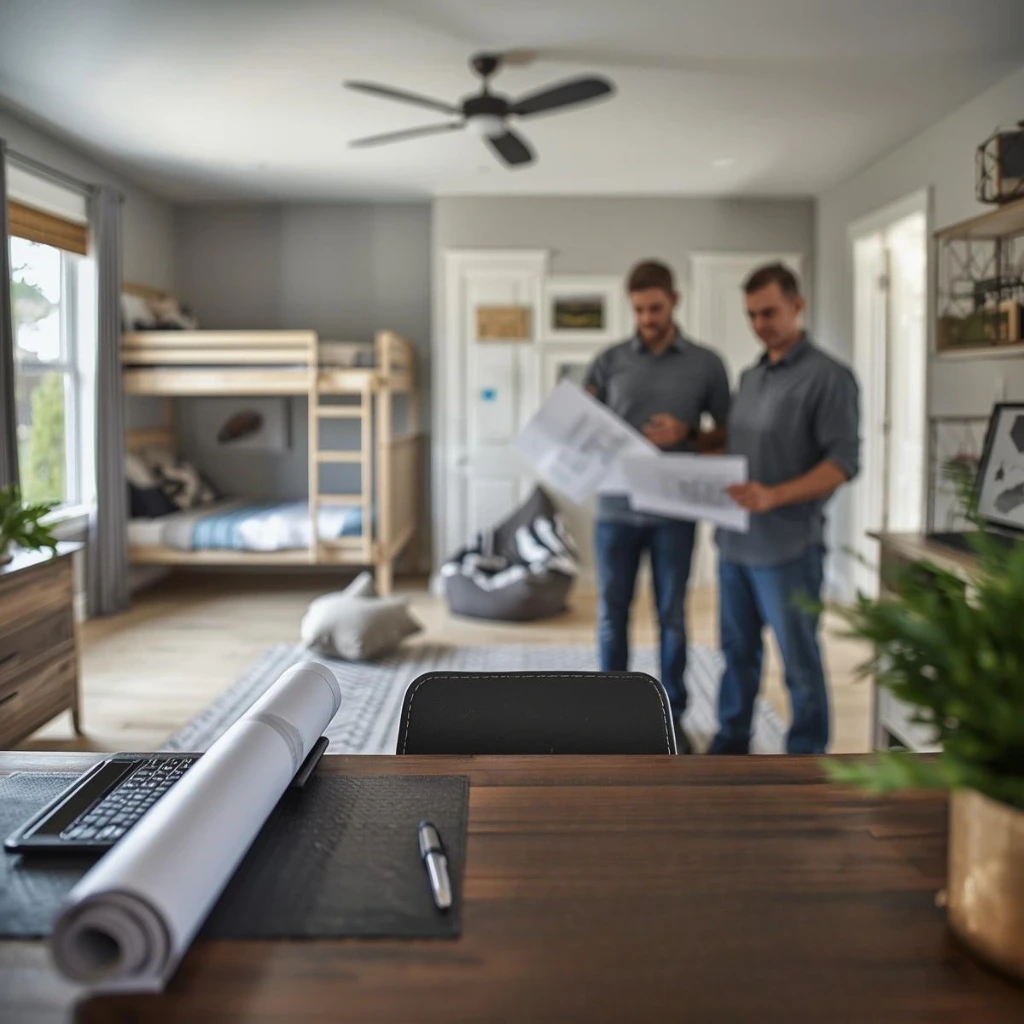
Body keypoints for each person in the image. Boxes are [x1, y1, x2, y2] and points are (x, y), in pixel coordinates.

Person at [711, 263, 860, 755]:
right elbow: (737, 444)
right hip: (733, 544)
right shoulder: (750, 377)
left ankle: (807, 755)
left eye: (769, 312)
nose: (760, 324)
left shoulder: (830, 378)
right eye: (752, 315)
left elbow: (842, 463)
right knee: (736, 654)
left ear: (797, 306)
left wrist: (774, 495)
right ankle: (731, 741)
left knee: (798, 660)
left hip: (789, 549)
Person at [584, 259, 731, 753]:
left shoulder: (706, 364)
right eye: (639, 309)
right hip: (615, 511)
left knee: (671, 614)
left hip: (674, 513)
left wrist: (686, 433)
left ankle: (671, 718)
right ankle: (609, 716)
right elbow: (583, 432)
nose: (647, 318)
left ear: (674, 301)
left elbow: (728, 436)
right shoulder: (608, 362)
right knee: (612, 614)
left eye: (655, 307)